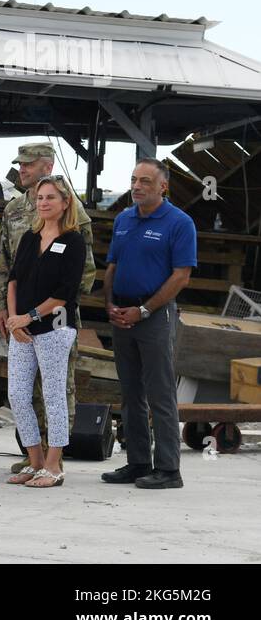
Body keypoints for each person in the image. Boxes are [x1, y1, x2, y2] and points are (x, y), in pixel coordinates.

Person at [0, 143, 96, 474]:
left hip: (56, 318)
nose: (22, 169)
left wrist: (58, 311)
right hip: (18, 318)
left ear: (47, 166)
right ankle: (31, 454)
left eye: (29, 164)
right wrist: (4, 310)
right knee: (22, 393)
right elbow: (6, 266)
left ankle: (55, 457)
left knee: (57, 390)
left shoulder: (72, 211)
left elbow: (85, 270)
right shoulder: (13, 210)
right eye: (19, 164)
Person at [101, 159, 196, 490]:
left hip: (154, 315)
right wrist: (110, 304)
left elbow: (181, 276)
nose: (137, 186)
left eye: (144, 181)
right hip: (122, 314)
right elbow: (113, 265)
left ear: (162, 186)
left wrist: (143, 310)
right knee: (130, 393)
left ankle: (169, 469)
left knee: (160, 393)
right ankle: (138, 462)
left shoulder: (179, 223)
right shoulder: (124, 219)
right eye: (133, 180)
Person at [4, 176, 86, 488]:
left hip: (54, 327)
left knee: (53, 396)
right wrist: (14, 319)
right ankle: (34, 460)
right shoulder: (28, 238)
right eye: (40, 198)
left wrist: (29, 316)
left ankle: (54, 465)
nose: (43, 203)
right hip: (22, 329)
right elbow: (13, 280)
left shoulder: (74, 241)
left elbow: (65, 293)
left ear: (66, 203)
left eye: (51, 197)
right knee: (18, 395)